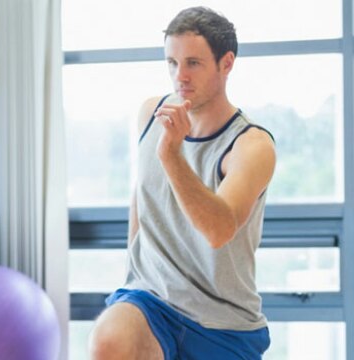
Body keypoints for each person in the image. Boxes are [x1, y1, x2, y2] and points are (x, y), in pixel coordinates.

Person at [88, 6, 277, 360]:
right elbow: (141, 197)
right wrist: (135, 272)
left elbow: (219, 230)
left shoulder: (251, 145)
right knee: (108, 340)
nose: (180, 76)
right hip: (150, 298)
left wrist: (172, 156)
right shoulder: (151, 113)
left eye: (193, 63)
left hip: (223, 323)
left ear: (227, 63)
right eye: (172, 63)